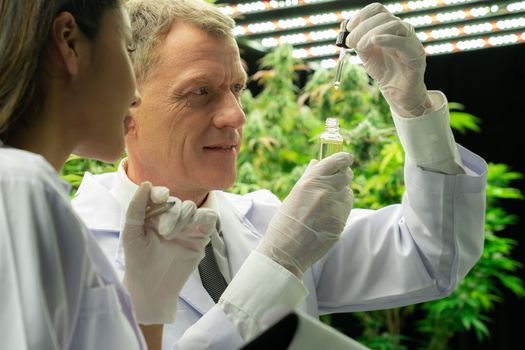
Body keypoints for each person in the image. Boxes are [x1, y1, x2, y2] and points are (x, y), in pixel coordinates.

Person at [72, 0, 488, 349]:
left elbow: (430, 255)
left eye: (236, 88)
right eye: (200, 91)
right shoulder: (68, 249)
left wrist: (412, 104)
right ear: (124, 104)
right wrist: (276, 264)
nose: (236, 116)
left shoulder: (268, 221)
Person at [0, 0, 238, 348]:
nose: (136, 94)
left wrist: (148, 311)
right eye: (127, 49)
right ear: (69, 42)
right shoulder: (17, 184)